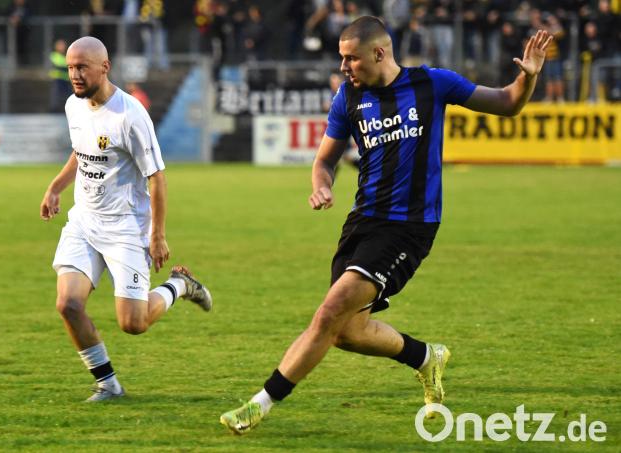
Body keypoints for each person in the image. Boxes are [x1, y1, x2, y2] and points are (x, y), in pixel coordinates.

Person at [220, 16, 551, 434]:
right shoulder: (349, 98)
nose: (344, 67)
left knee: (328, 314)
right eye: (342, 59)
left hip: (408, 227)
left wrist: (529, 79)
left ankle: (259, 404)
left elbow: (507, 102)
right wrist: (321, 186)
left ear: (379, 53)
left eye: (351, 59)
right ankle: (426, 357)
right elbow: (324, 160)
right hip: (362, 222)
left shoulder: (433, 83)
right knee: (345, 332)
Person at [40, 37, 213, 402]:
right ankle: (108, 384)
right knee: (68, 305)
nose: (74, 74)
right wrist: (56, 187)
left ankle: (180, 285)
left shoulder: (130, 115)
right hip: (85, 222)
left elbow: (157, 177)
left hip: (126, 228)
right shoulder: (75, 106)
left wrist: (158, 235)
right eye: (71, 67)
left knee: (133, 323)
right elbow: (80, 150)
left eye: (82, 66)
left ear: (104, 67)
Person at [49, 39, 70, 112]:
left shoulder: (67, 56)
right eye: (60, 45)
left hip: (66, 80)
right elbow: (61, 64)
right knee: (56, 97)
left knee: (67, 97)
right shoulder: (54, 55)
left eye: (63, 45)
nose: (62, 47)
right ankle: (54, 110)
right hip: (57, 80)